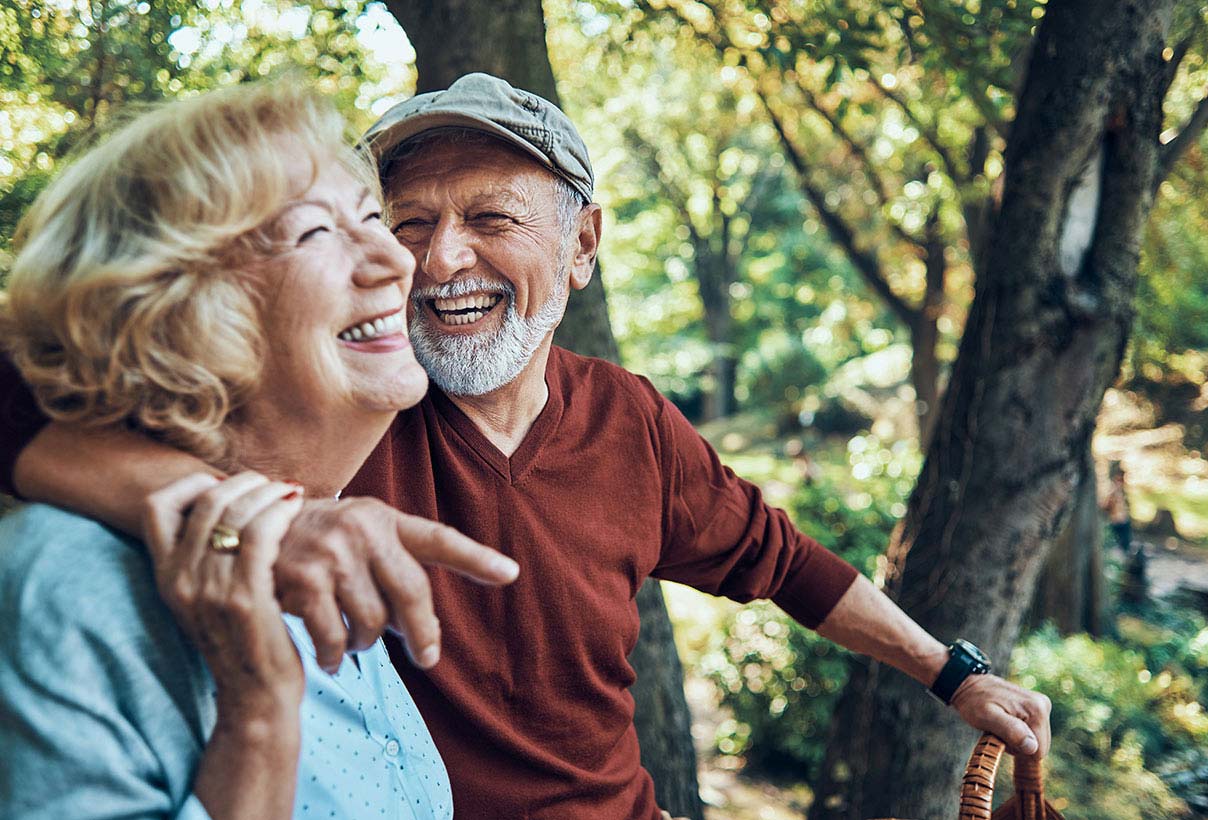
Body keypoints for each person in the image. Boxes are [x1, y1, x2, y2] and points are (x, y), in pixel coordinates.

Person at [0, 73, 1052, 819]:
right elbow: (45, 380)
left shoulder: (630, 421)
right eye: (404, 220)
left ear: (583, 244)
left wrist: (954, 672)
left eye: (491, 217)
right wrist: (258, 518)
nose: (432, 258)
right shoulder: (337, 401)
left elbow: (784, 562)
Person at [0, 81, 520, 819]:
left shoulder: (323, 542)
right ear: (170, 311)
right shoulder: (66, 585)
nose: (398, 261)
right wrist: (260, 719)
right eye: (312, 233)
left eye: (372, 217)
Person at [1101, 462, 1134, 553]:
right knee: (1120, 543)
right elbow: (1105, 505)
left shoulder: (1122, 491)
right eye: (1119, 479)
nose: (1121, 482)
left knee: (1125, 544)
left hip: (1123, 521)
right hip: (1117, 522)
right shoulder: (1113, 491)